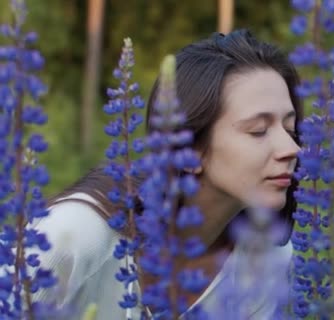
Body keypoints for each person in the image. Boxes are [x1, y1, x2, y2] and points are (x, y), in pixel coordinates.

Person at [29, 29, 302, 319]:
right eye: (258, 130)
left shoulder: (265, 262)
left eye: (290, 129)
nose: (292, 147)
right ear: (188, 147)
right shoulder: (76, 234)